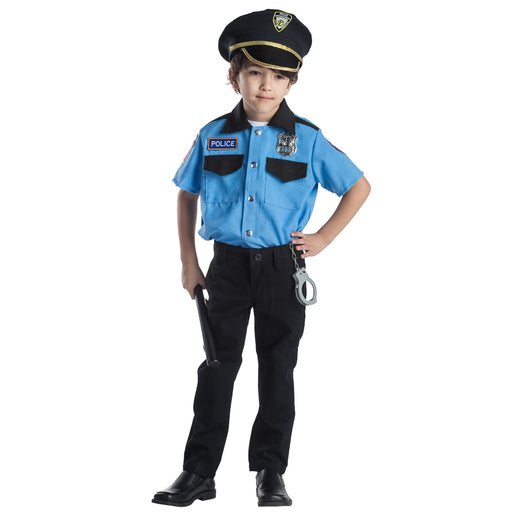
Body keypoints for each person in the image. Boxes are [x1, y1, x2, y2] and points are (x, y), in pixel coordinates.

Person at [152, 9, 371, 507]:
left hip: (280, 270)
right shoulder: (212, 134)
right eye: (254, 72)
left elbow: (358, 186)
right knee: (217, 367)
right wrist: (189, 262)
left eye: (278, 76)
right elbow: (187, 194)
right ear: (234, 76)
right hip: (225, 269)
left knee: (277, 368)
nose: (266, 85)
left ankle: (270, 471)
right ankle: (198, 472)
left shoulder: (308, 139)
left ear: (292, 82)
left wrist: (324, 238)